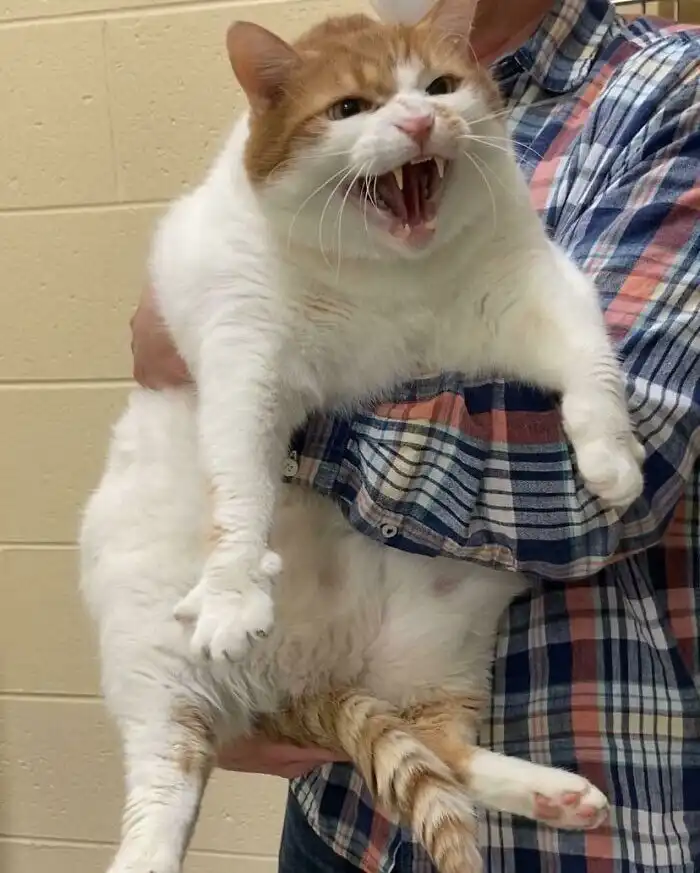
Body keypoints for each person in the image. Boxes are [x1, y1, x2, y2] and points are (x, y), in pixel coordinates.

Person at [130, 0, 700, 870]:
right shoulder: (328, 77)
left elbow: (589, 488)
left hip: (583, 814)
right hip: (343, 810)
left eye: (437, 85)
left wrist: (271, 407)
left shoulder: (671, 90)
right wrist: (231, 670)